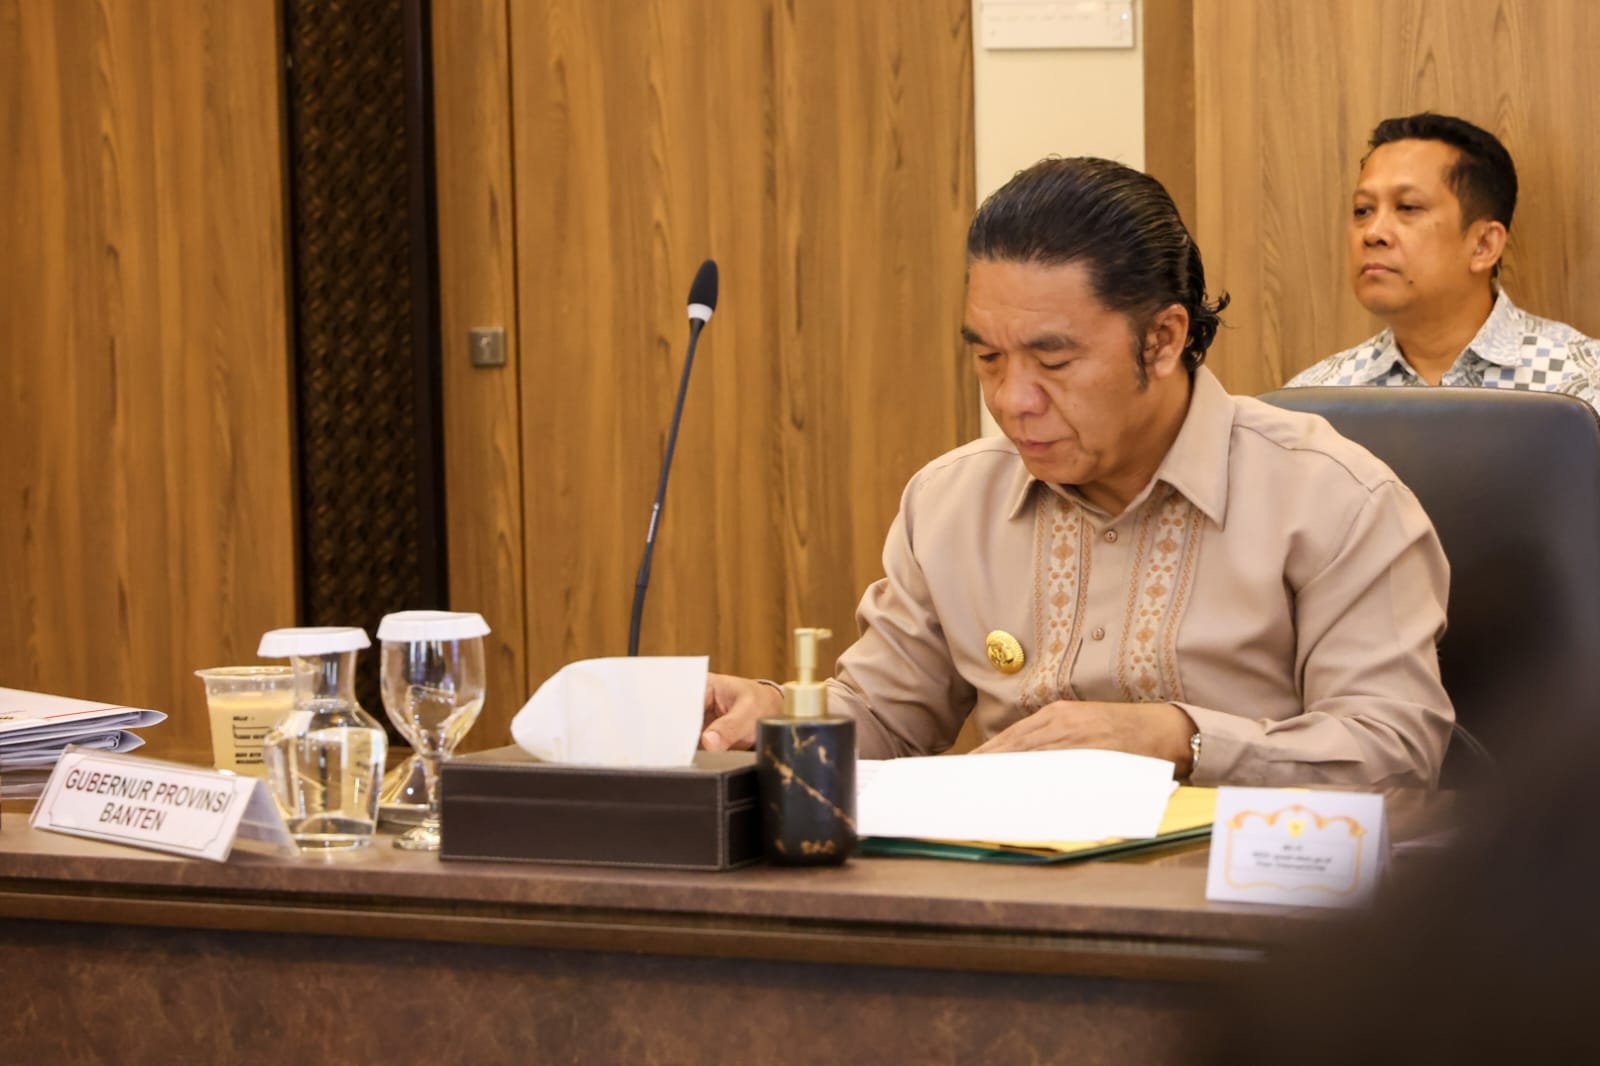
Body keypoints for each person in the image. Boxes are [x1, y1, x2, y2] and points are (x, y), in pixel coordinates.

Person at [702, 157, 1454, 788]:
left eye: (1053, 361)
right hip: (1004, 895)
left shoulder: (1333, 499)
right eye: (988, 359)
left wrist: (1177, 738)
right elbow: (885, 720)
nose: (1012, 400)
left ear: (1163, 340)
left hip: (1242, 901)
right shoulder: (951, 502)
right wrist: (781, 715)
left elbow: (1395, 753)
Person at [1288, 112, 1600, 403]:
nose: (1372, 233)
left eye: (1408, 207)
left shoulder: (1585, 384)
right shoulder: (1312, 402)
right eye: (1362, 210)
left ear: (1484, 245)